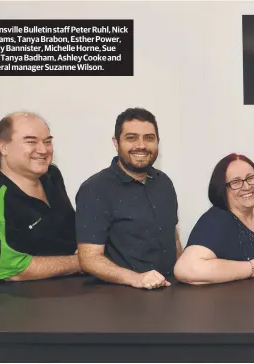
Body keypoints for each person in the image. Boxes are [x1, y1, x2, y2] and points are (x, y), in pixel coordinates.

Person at [0, 112, 79, 286]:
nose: (43, 150)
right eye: (31, 141)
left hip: (78, 294)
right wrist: (82, 262)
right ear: (3, 147)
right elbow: (7, 268)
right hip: (22, 304)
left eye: (47, 141)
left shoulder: (52, 175)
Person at [76, 108, 181, 290]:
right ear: (116, 143)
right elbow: (89, 258)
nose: (141, 145)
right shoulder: (95, 189)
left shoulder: (164, 183)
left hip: (170, 291)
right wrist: (136, 279)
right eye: (131, 138)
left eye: (149, 138)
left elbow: (173, 237)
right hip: (122, 300)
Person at [174, 154, 254, 284]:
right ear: (222, 188)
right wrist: (253, 267)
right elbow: (186, 269)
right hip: (229, 303)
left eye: (250, 178)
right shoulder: (217, 220)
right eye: (236, 182)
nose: (247, 186)